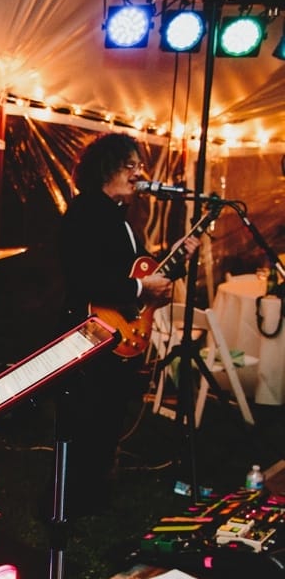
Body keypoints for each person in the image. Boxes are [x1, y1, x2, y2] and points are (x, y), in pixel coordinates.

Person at [55, 132, 199, 516]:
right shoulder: (85, 212)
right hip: (91, 331)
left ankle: (94, 491)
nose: (139, 174)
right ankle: (75, 499)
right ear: (107, 169)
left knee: (108, 416)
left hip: (116, 335)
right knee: (89, 418)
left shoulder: (120, 219)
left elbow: (145, 269)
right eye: (130, 166)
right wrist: (140, 287)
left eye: (140, 166)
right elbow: (84, 278)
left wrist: (177, 261)